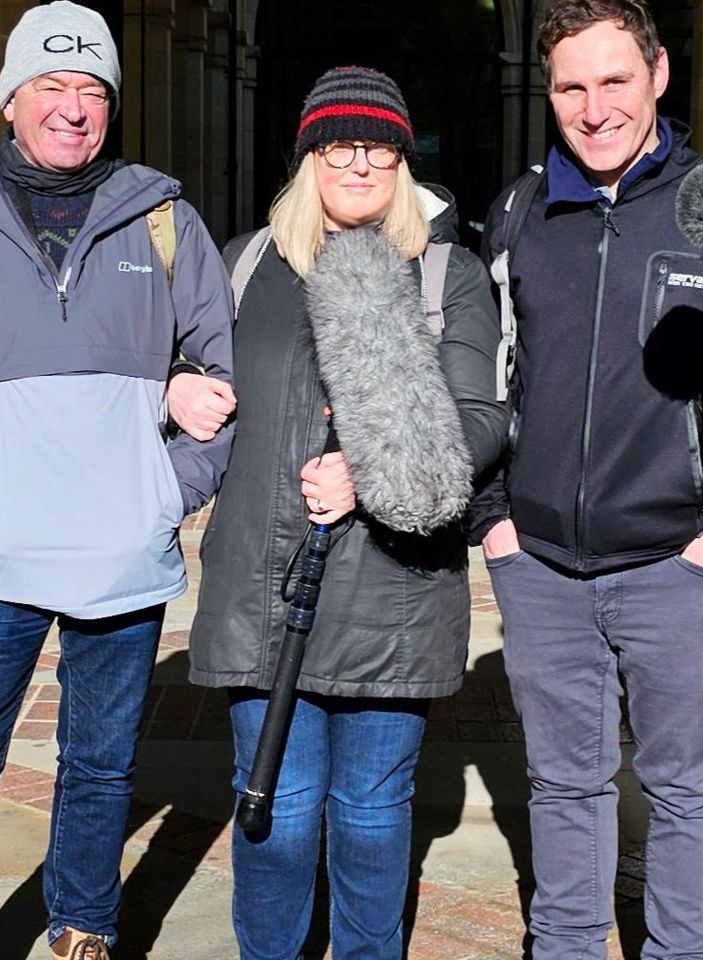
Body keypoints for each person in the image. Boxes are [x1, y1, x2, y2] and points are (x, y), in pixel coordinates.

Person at [0, 0, 236, 960]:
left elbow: (225, 381)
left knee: (101, 770)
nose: (74, 108)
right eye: (51, 86)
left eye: (92, 89)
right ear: (10, 100)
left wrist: (166, 492)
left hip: (122, 555)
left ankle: (84, 931)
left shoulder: (165, 221)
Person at [470, 0, 703, 959]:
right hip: (541, 567)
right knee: (562, 784)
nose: (593, 108)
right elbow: (477, 378)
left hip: (677, 565)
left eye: (613, 80)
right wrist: (492, 521)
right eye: (569, 89)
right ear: (547, 94)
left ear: (657, 74)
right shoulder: (519, 213)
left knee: (686, 786)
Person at [184, 66, 510, 960]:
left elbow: (483, 420)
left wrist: (370, 473)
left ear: (403, 161)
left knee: (369, 819)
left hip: (393, 591)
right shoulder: (246, 263)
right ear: (308, 158)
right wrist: (179, 387)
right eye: (339, 145)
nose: (359, 163)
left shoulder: (448, 273)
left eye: (379, 146)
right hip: (261, 583)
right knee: (274, 814)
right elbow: (184, 368)